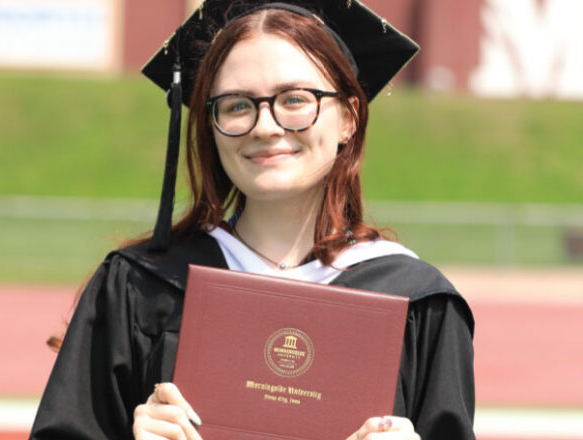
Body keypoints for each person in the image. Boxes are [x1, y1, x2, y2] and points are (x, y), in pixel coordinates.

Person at [30, 1, 475, 439]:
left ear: (349, 120)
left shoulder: (418, 303)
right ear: (211, 126)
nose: (265, 126)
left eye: (295, 99)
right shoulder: (140, 287)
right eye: (237, 105)